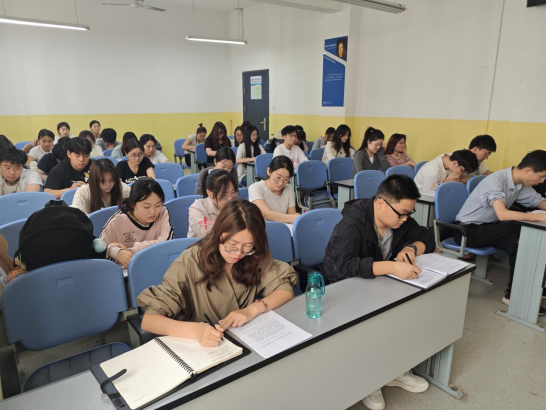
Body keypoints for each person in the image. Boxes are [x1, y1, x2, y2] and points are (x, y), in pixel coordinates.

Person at [322, 174, 435, 410]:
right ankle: (370, 380)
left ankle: (395, 369)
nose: (405, 219)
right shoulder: (352, 224)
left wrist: (411, 248)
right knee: (373, 322)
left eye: (409, 214)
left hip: (377, 282)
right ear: (381, 203)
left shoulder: (398, 219)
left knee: (407, 310)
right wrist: (392, 267)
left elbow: (426, 236)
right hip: (344, 289)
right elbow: (343, 266)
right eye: (401, 213)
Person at [137, 197, 298, 346]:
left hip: (247, 339)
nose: (238, 254)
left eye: (247, 246)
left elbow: (284, 290)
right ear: (219, 233)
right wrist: (197, 331)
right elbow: (150, 320)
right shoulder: (191, 261)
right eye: (232, 245)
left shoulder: (254, 254)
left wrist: (252, 310)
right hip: (204, 344)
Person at [455, 150, 546, 307]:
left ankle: (518, 294)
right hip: (467, 231)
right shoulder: (496, 181)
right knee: (525, 230)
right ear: (528, 170)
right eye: (542, 176)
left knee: (518, 245)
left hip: (489, 228)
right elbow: (502, 214)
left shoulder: (519, 184)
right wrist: (541, 217)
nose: (542, 181)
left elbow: (539, 201)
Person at [100, 178, 174, 268]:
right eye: (146, 207)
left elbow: (166, 243)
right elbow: (100, 249)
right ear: (132, 204)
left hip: (156, 266)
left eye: (158, 205)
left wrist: (133, 251)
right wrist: (116, 252)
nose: (153, 212)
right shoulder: (117, 221)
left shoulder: (162, 212)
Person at [188, 170, 239, 238]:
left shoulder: (237, 205)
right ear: (209, 193)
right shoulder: (197, 208)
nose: (230, 198)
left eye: (233, 192)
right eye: (224, 195)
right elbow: (207, 236)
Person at [249, 156, 299, 224]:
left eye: (286, 179)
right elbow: (267, 214)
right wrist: (295, 217)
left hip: (283, 228)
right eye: (278, 177)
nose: (281, 183)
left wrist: (294, 217)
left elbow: (292, 216)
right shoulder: (255, 188)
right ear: (269, 171)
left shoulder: (288, 189)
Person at [414, 150, 478, 191]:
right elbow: (429, 195)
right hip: (421, 200)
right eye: (462, 170)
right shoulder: (432, 172)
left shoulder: (451, 158)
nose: (462, 173)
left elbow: (462, 178)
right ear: (454, 163)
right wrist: (447, 181)